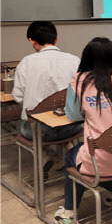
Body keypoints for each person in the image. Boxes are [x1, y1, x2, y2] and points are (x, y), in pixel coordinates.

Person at [54, 37, 112, 224]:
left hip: (99, 161)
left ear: (86, 59)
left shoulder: (80, 80)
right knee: (109, 145)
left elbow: (73, 114)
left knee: (72, 157)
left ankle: (68, 215)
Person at [12, 21, 81, 171]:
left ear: (32, 41)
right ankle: (68, 151)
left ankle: (46, 153)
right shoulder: (74, 60)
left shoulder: (26, 63)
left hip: (38, 132)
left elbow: (18, 97)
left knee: (23, 124)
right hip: (71, 128)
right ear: (56, 39)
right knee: (62, 118)